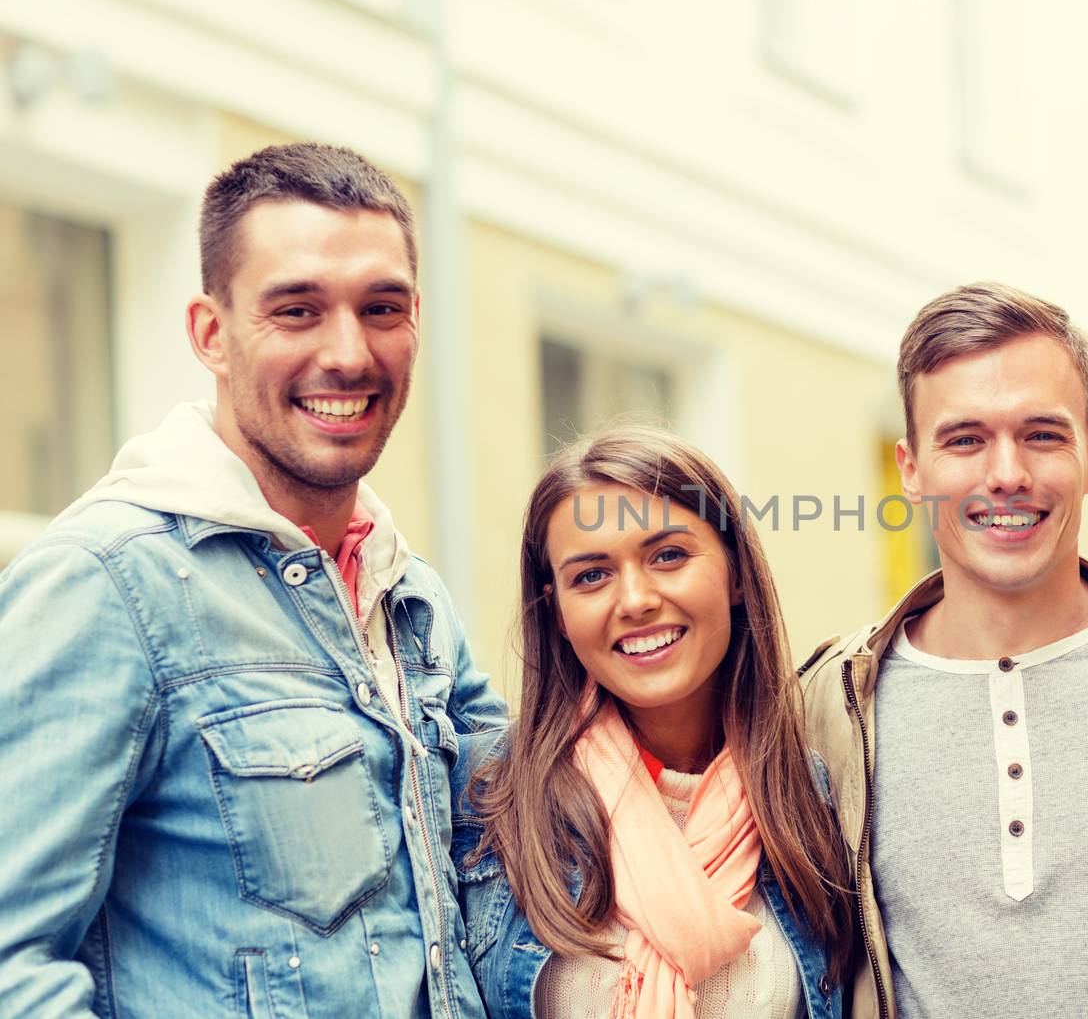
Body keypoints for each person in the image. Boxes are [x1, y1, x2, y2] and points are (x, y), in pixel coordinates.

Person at [0, 143, 507, 1018]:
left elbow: (538, 823)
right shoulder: (105, 584)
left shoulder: (409, 595)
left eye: (380, 308)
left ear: (416, 320)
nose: (348, 353)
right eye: (297, 310)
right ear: (211, 333)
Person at [800, 282, 1088, 1019]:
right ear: (912, 469)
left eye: (1041, 434)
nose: (1006, 473)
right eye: (965, 439)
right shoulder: (825, 708)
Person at [451, 425, 854, 1019]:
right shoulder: (484, 796)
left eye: (668, 556)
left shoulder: (808, 798)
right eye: (591, 575)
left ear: (736, 574)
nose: (635, 599)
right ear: (557, 612)